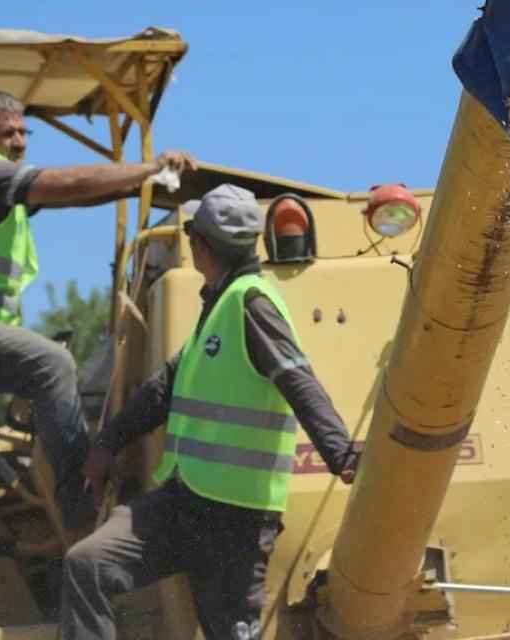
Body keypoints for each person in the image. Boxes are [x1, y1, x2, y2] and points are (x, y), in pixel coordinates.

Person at [0, 90, 195, 633]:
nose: (20, 142)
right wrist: (151, 167)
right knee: (51, 365)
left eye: (25, 133)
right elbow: (67, 185)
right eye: (9, 134)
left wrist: (138, 182)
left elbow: (77, 193)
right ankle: (80, 504)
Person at [60, 184, 360, 640]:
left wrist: (343, 455)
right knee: (88, 564)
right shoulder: (217, 307)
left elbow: (299, 379)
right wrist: (107, 442)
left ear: (201, 245)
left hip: (234, 525)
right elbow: (163, 389)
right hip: (183, 503)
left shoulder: (251, 304)